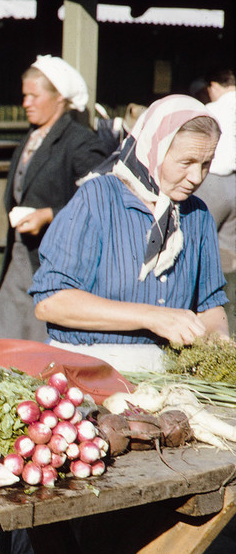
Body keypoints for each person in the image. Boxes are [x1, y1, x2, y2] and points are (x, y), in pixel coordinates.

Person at [31, 94, 228, 371]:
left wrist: (219, 347)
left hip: (166, 377)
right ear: (153, 150)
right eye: (186, 162)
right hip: (86, 371)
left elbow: (210, 306)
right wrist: (152, 317)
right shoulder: (97, 198)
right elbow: (52, 303)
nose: (197, 177)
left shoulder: (197, 215)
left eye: (206, 164)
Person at [0, 55, 109, 342]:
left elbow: (102, 195)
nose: (26, 103)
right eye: (24, 95)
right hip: (20, 254)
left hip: (52, 259)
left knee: (38, 339)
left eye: (34, 95)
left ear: (59, 98)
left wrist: (49, 214)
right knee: (4, 330)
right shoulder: (33, 136)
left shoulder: (79, 141)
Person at [196, 68, 235, 274]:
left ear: (214, 86)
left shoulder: (211, 109)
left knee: (198, 240)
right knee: (228, 252)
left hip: (213, 181)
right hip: (235, 184)